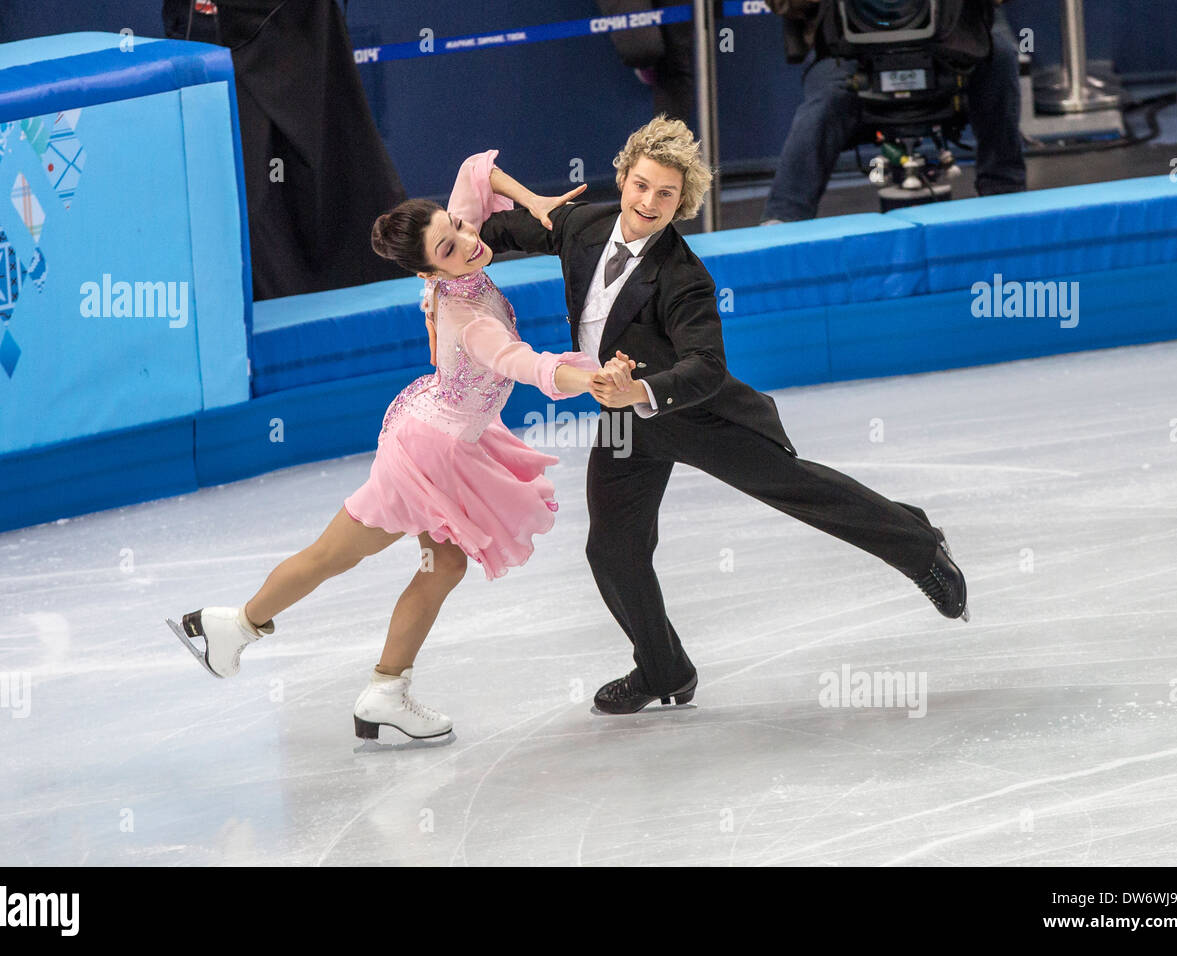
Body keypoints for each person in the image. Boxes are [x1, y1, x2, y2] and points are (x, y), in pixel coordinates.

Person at [479, 116, 969, 715]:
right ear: (623, 178)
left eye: (666, 194)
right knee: (612, 550)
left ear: (683, 202)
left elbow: (706, 366)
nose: (649, 202)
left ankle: (920, 547)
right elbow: (496, 230)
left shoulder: (684, 277)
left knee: (797, 489)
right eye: (641, 185)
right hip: (627, 424)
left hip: (698, 414)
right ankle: (664, 669)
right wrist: (446, 256)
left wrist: (641, 393)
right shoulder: (583, 225)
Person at [167, 151, 623, 741]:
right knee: (339, 553)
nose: (467, 240)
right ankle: (237, 627)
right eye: (450, 247)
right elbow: (528, 364)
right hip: (430, 454)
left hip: (445, 435)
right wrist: (591, 380)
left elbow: (472, 175)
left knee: (442, 563)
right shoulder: (470, 319)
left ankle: (380, 687)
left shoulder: (451, 246)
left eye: (456, 228)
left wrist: (533, 202)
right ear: (430, 272)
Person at [762, 0, 1025, 223]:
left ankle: (1006, 196)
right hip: (848, 46)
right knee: (826, 103)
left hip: (952, 32)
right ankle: (783, 223)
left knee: (999, 57)